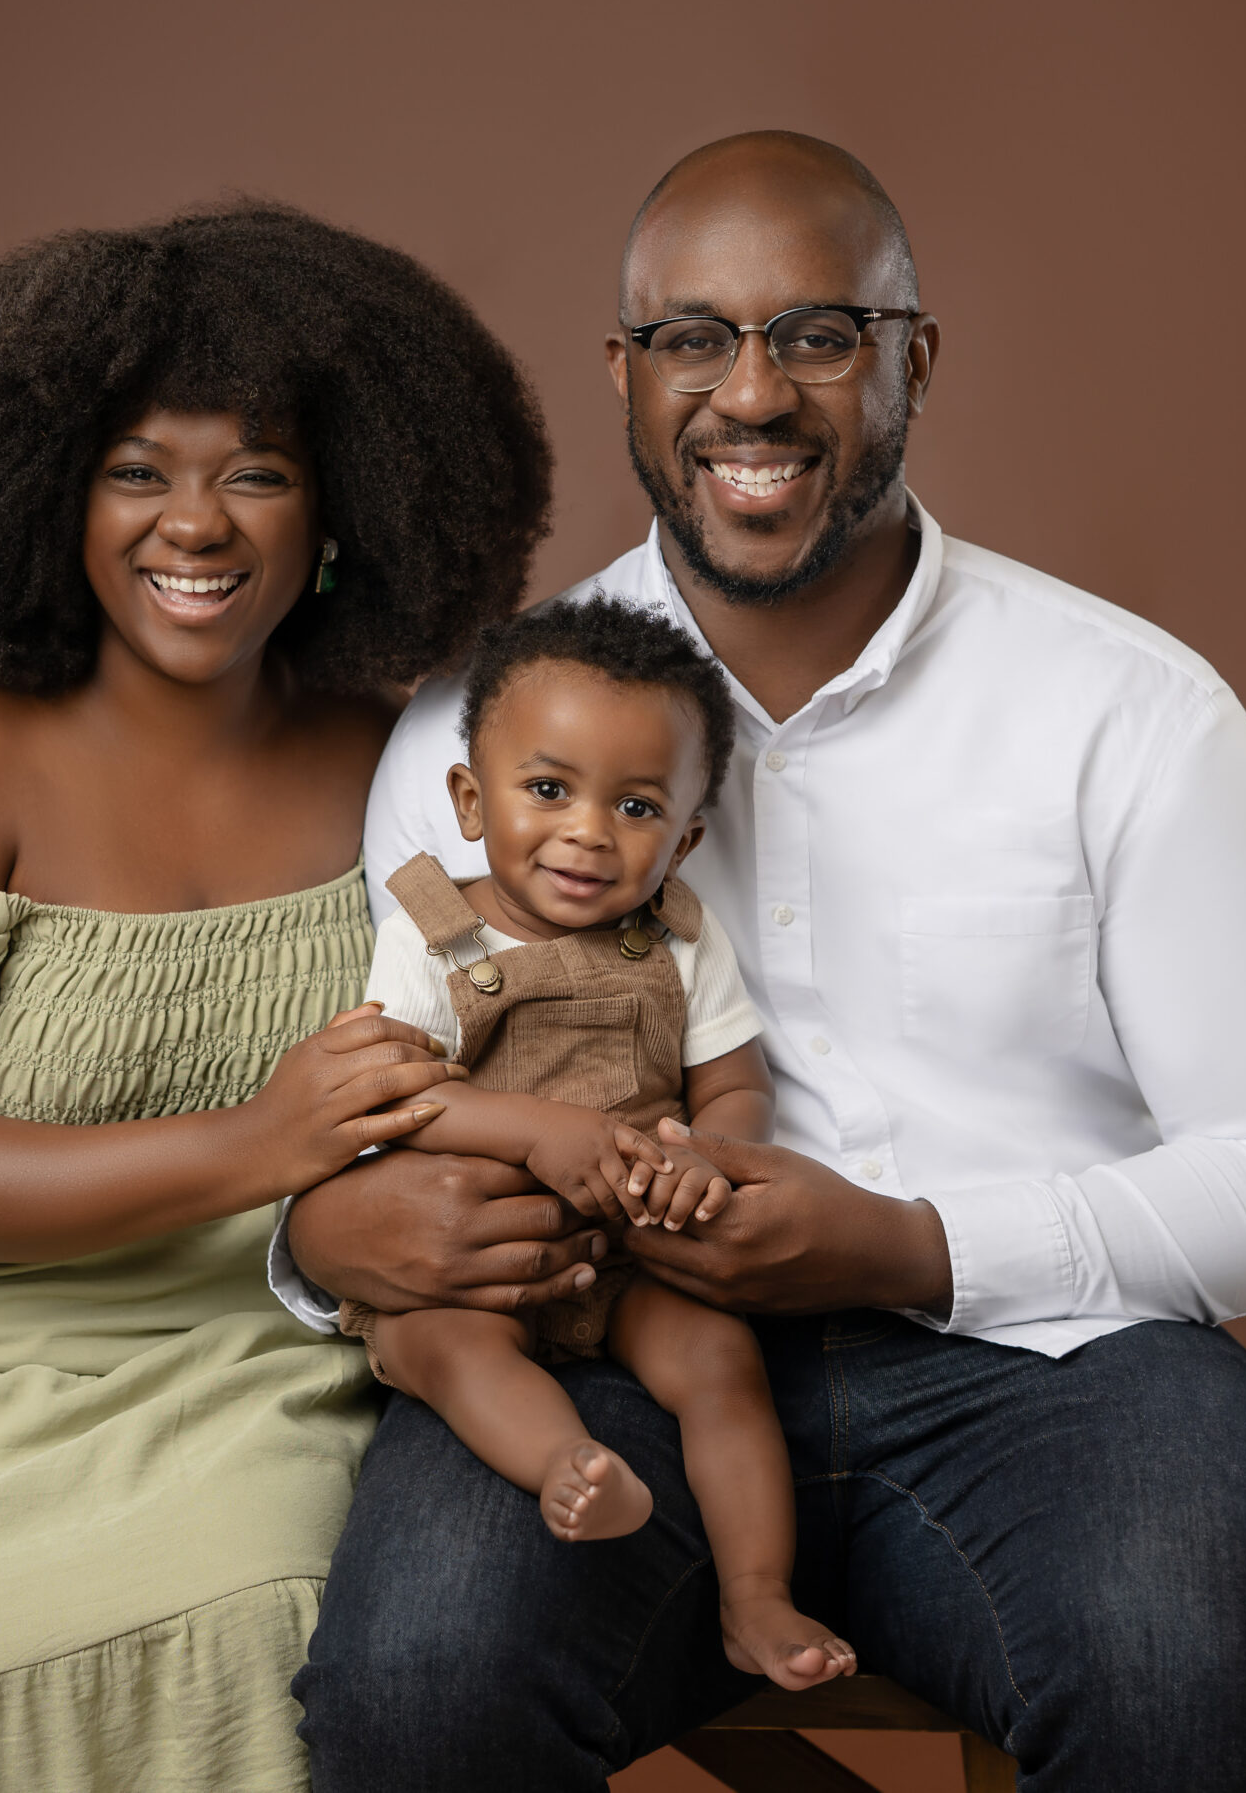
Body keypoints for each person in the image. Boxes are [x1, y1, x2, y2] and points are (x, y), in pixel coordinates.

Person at [280, 133, 1246, 1791]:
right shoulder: (477, 729)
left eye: (818, 334)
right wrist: (322, 1241)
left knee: (1187, 1683)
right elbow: (380, 1111)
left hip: (1057, 1365)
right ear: (624, 371)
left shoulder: (1130, 712)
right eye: (693, 338)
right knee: (422, 1686)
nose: (752, 394)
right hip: (606, 1347)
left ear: (914, 359)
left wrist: (912, 1244)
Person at [0, 201, 548, 1792]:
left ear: (347, 504)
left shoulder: (397, 767)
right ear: (54, 498)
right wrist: (262, 1141)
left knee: (271, 1613)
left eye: (259, 472)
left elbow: (500, 1022)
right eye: (138, 471)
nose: (197, 524)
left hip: (259, 1355)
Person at [344, 594, 858, 1692]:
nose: (587, 831)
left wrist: (707, 1156)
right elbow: (395, 1095)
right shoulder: (431, 935)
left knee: (721, 1362)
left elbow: (735, 1083)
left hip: (628, 1252)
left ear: (685, 838)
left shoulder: (678, 939)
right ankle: (568, 1464)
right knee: (450, 1351)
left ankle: (756, 1594)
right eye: (547, 790)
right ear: (471, 800)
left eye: (635, 806)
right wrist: (539, 1129)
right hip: (467, 1264)